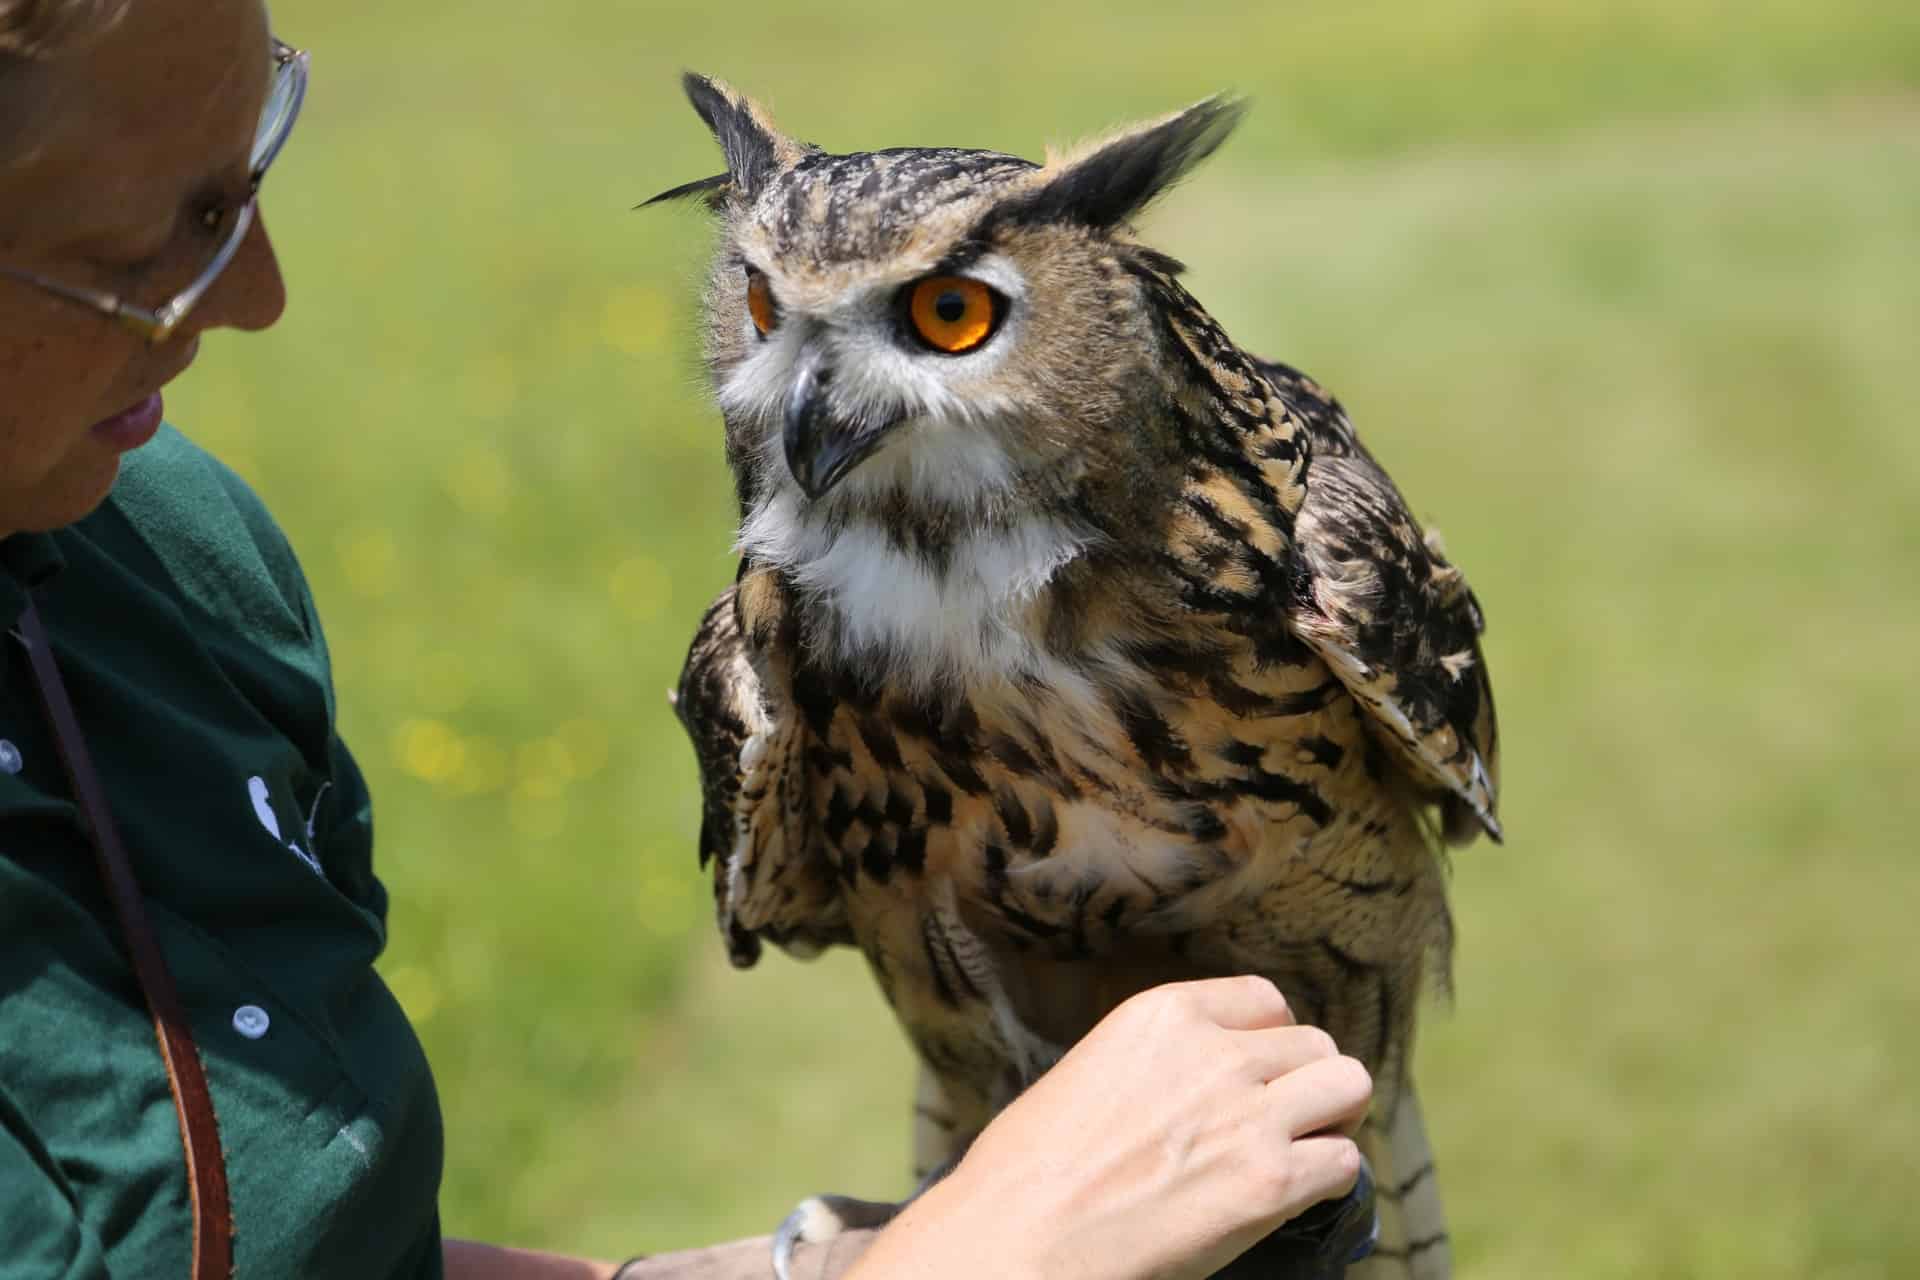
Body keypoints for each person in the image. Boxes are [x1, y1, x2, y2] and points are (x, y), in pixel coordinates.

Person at [0, 1, 1374, 1276]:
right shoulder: (777, 672)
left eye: (249, 175)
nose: (256, 294)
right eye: (143, 247)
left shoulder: (161, 558)